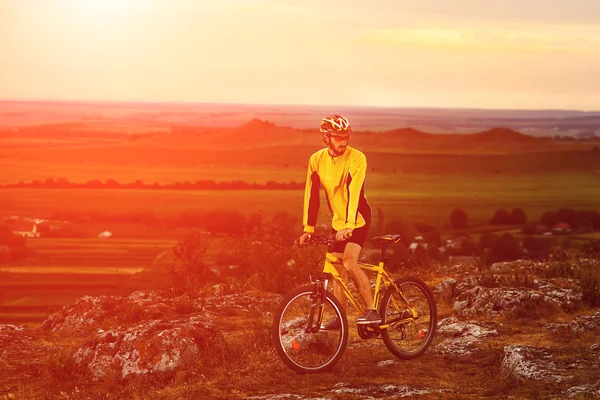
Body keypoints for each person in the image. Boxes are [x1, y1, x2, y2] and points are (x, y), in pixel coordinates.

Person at [298, 114, 380, 327]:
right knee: (336, 269)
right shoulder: (316, 160)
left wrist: (349, 226)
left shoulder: (357, 157)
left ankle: (372, 310)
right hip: (338, 222)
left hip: (358, 219)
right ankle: (340, 317)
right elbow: (312, 196)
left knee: (350, 263)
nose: (343, 141)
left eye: (345, 137)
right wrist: (308, 228)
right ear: (326, 138)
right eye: (338, 137)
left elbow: (355, 192)